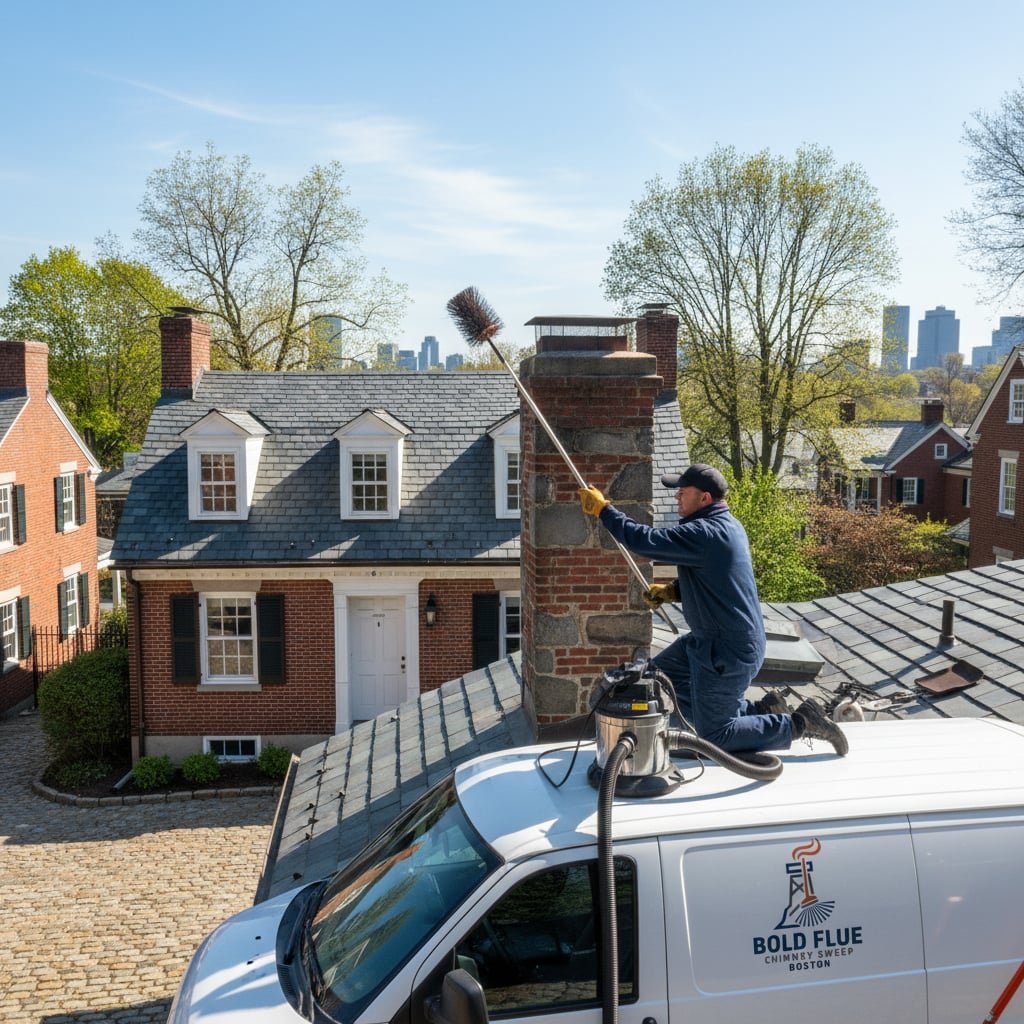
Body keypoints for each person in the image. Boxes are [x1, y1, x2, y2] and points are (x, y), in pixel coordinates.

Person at [579, 464, 847, 756]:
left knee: (716, 735)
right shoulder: (725, 526)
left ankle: (800, 723)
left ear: (704, 498)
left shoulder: (705, 532)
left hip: (726, 649)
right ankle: (763, 710)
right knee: (659, 681)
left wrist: (605, 511)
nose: (677, 496)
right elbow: (716, 578)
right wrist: (673, 591)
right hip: (711, 640)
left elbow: (645, 542)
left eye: (683, 491)